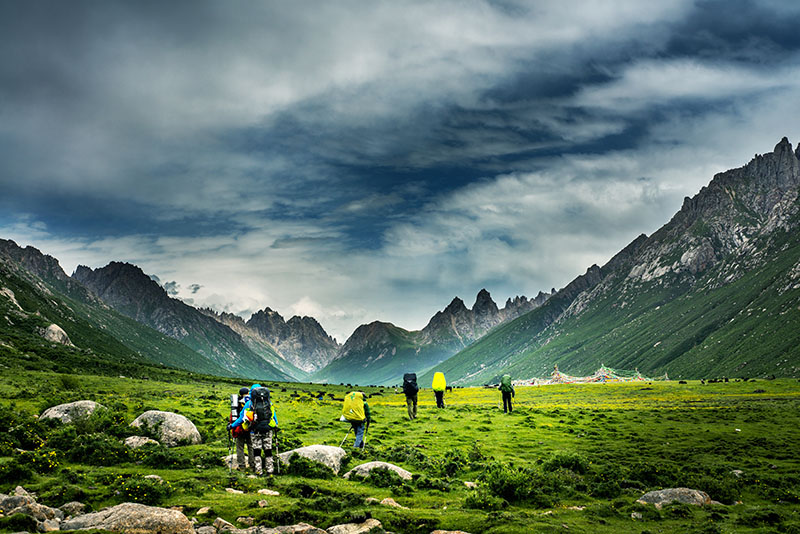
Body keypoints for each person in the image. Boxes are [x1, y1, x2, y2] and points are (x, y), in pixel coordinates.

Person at [230, 384, 278, 475]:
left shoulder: (249, 403)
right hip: (268, 430)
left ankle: (258, 471)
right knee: (268, 450)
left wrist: (232, 426)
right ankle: (270, 471)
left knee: (257, 451)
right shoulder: (268, 402)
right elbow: (274, 417)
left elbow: (241, 418)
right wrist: (275, 425)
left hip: (255, 430)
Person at [231, 386, 254, 471]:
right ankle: (252, 465)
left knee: (239, 447)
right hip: (250, 427)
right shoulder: (251, 401)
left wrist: (232, 426)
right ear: (248, 393)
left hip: (239, 427)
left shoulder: (236, 402)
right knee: (251, 446)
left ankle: (242, 466)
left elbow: (233, 416)